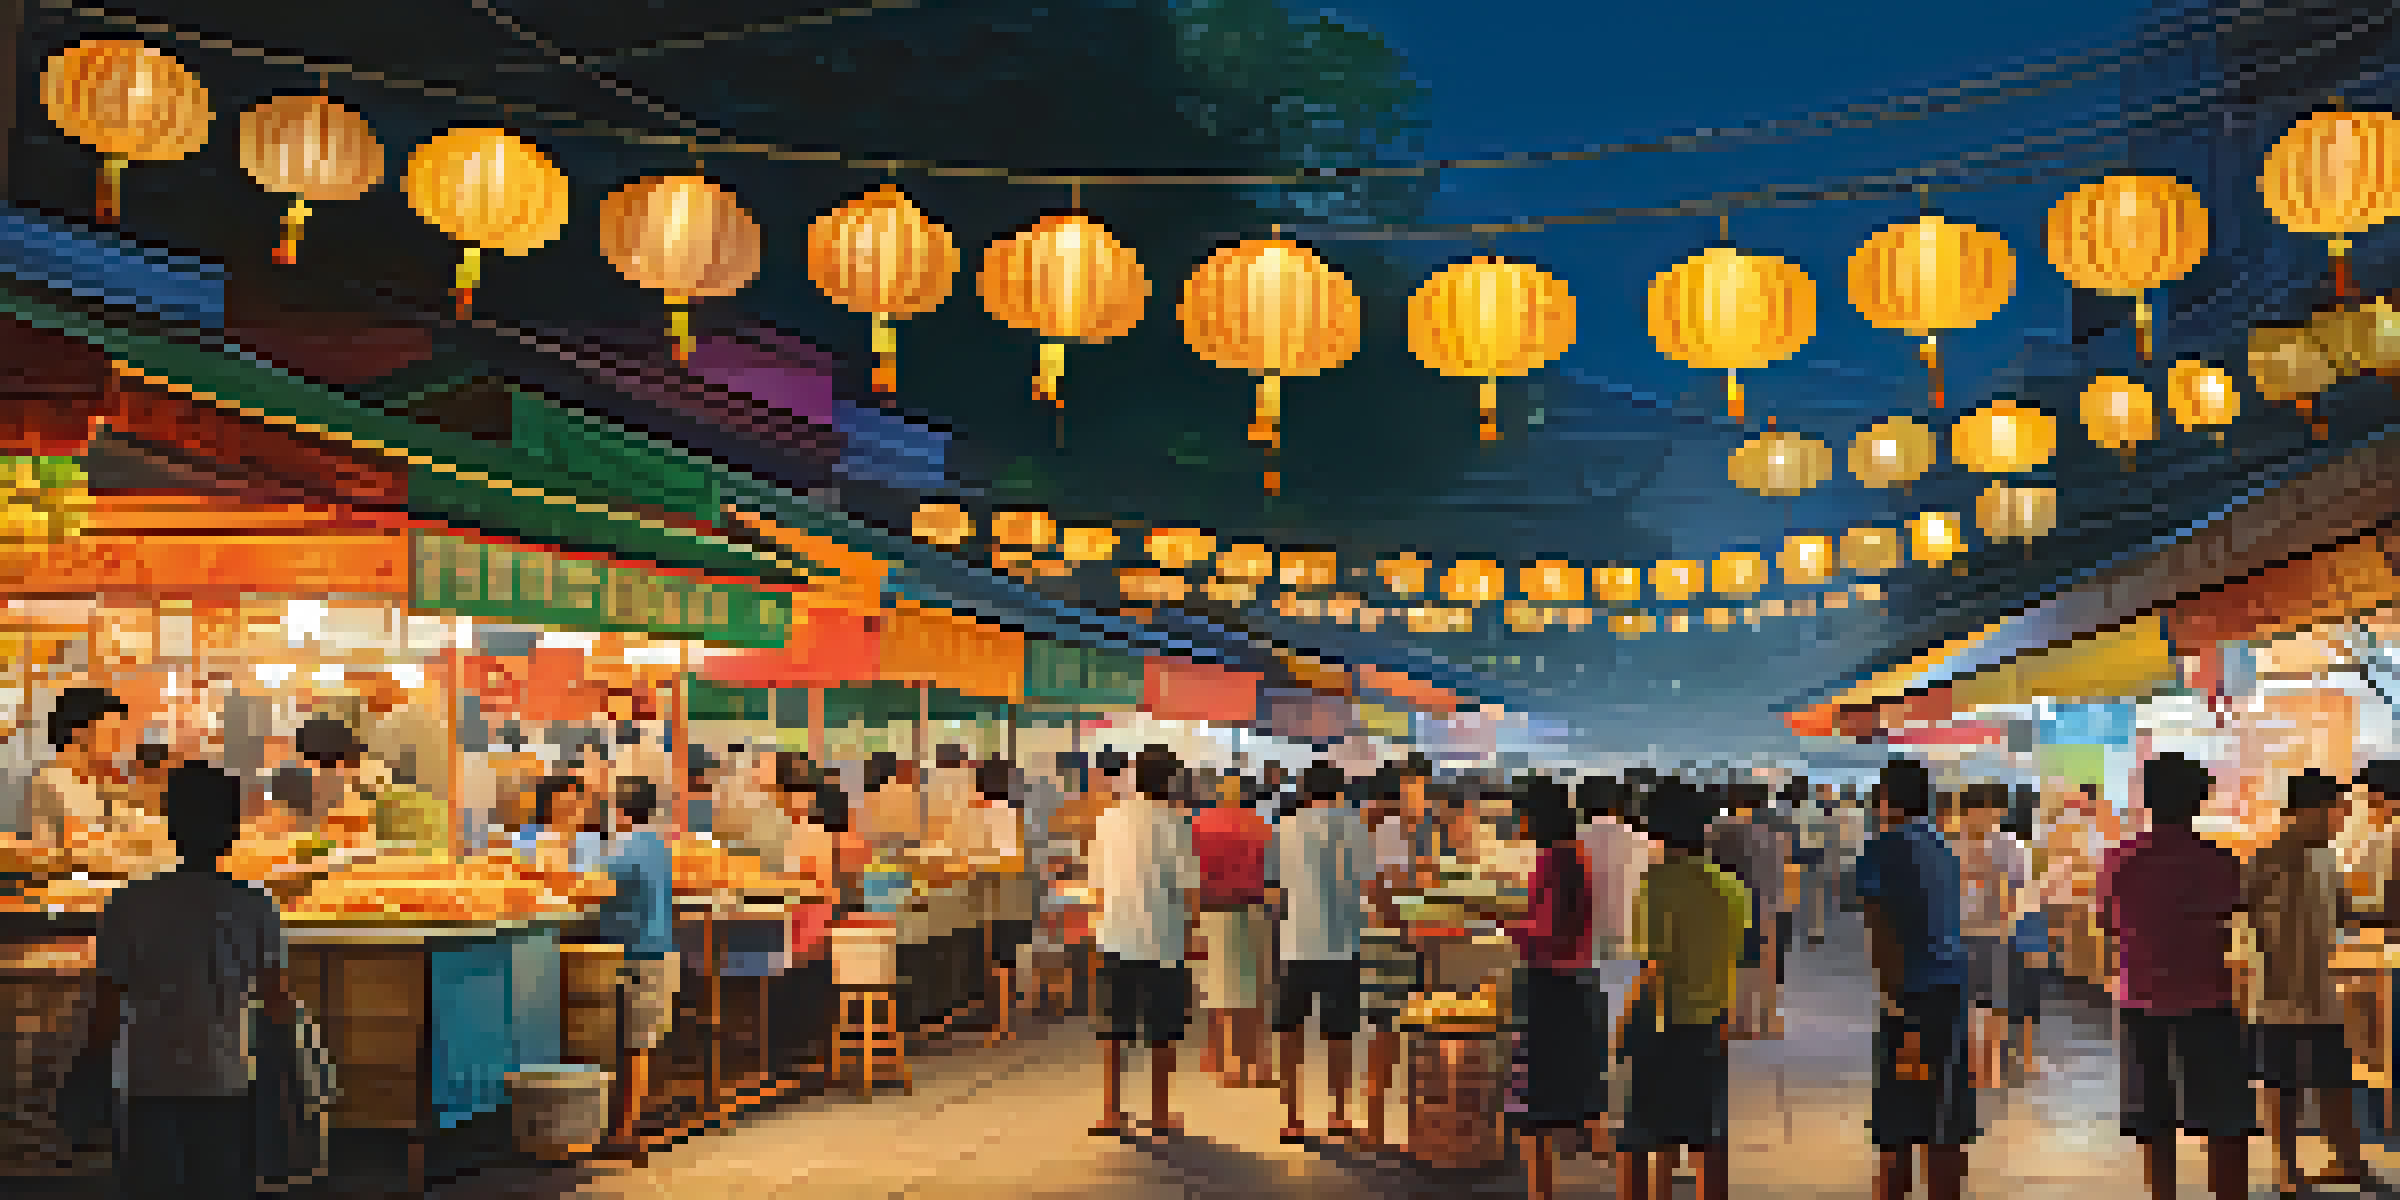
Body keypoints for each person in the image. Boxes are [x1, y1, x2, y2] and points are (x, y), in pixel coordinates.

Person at [88, 762, 294, 1200]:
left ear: (171, 828)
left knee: (152, 1186)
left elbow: (107, 1004)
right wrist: (286, 1072)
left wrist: (91, 1068)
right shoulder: (257, 906)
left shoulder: (128, 904)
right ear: (234, 831)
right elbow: (276, 1002)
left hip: (148, 1078)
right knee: (223, 1184)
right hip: (229, 1077)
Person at [2093, 753, 2252, 1200]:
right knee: (2225, 1116)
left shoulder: (2119, 859)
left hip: (2140, 997)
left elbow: (2106, 922)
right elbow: (2233, 913)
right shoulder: (2218, 860)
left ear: (2147, 800)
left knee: (2153, 1117)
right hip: (2208, 998)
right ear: (2199, 800)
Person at [1614, 778, 1747, 1200]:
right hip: (1712, 1022)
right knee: (1707, 1135)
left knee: (1639, 1136)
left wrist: (1623, 1024)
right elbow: (1734, 960)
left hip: (1662, 1022)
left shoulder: (1657, 882)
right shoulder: (1731, 886)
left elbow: (1653, 966)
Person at [2245, 769, 2375, 1193]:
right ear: (2311, 811)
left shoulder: (2320, 858)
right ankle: (2290, 1170)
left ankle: (2346, 1163)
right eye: (2337, 810)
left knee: (2326, 1081)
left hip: (2313, 992)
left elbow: (2338, 913)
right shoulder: (2271, 858)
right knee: (2288, 1085)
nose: (2342, 819)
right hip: (2281, 994)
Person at [1856, 756, 1976, 1200]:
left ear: (1887, 799)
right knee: (1945, 1120)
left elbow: (1881, 931)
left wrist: (1895, 1005)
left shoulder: (1881, 849)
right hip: (1952, 992)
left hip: (1910, 994)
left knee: (1898, 1123)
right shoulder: (1944, 849)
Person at [1088, 745, 1199, 1137]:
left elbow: (1098, 886)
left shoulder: (1108, 820)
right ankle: (1159, 1113)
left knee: (1113, 1028)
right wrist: (1192, 931)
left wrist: (1101, 925)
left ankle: (1111, 1111)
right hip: (1163, 938)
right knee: (1162, 1029)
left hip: (1115, 934)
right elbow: (1188, 889)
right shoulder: (1177, 823)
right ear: (1171, 779)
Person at [1269, 761, 1374, 1143]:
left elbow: (1274, 890)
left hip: (1296, 942)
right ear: (1339, 790)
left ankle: (1292, 1116)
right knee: (1340, 1032)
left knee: (1290, 1032)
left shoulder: (1285, 827)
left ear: (1305, 791)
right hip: (1341, 941)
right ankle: (1339, 1113)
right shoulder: (1354, 826)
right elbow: (1369, 883)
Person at [1506, 777, 1599, 1200]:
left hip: (1549, 980)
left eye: (1523, 813)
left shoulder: (1554, 860)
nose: (1519, 821)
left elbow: (1548, 932)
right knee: (1564, 1092)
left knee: (1536, 1099)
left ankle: (1540, 1190)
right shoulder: (1575, 855)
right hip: (1573, 980)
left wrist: (1505, 925)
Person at [593, 777, 677, 1161]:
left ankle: (625, 1131)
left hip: (636, 954)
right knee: (639, 1043)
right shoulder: (658, 846)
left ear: (621, 811)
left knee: (632, 1045)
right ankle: (628, 1125)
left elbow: (592, 884)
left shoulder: (625, 851)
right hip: (658, 951)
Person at [1577, 774, 1652, 1152]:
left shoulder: (1575, 841)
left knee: (1586, 1040)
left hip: (1582, 950)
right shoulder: (1644, 843)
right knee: (1622, 1040)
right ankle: (1620, 1121)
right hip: (1631, 949)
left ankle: (1590, 1125)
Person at [1190, 761, 1273, 1086]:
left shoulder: (1200, 824)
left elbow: (1192, 875)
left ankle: (1222, 1061)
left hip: (1213, 911)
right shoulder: (1260, 825)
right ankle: (1257, 1062)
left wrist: (1193, 918)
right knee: (1254, 992)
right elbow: (1271, 873)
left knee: (1219, 993)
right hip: (1253, 909)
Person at [1954, 783, 2028, 1088]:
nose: (1982, 816)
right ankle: (1972, 1063)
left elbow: (2016, 893)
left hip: (1994, 932)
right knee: (1966, 1001)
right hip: (1957, 932)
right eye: (1974, 809)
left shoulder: (2009, 845)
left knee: (1993, 1001)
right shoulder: (1951, 844)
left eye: (1989, 809)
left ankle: (1991, 1064)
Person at [1705, 784, 1785, 1039]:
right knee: (1762, 963)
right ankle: (1764, 1020)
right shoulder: (1772, 834)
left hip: (1730, 901)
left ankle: (1736, 1022)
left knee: (1732, 963)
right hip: (1764, 902)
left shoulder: (1720, 829)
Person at [30, 687, 131, 845]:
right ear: (80, 733)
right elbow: (58, 847)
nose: (120, 743)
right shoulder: (49, 786)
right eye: (113, 733)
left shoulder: (104, 780)